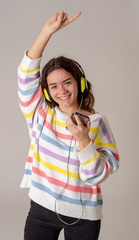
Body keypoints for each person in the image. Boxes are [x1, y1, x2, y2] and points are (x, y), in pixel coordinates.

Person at [17, 11, 119, 240]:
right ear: (46, 92)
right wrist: (47, 32)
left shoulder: (97, 122)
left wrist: (84, 140)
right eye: (53, 86)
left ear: (79, 83)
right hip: (41, 210)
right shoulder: (40, 113)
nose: (61, 91)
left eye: (67, 82)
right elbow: (25, 75)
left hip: (84, 216)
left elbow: (96, 177)